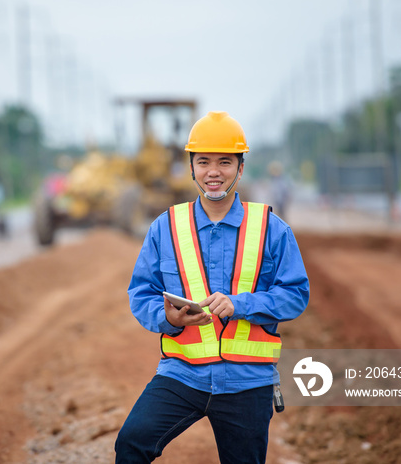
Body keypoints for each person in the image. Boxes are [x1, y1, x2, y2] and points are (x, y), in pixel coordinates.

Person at [115, 111, 310, 464]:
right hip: (181, 374)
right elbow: (141, 293)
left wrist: (242, 305)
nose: (213, 171)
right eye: (203, 161)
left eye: (225, 162)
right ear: (191, 167)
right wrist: (169, 318)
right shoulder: (166, 227)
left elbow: (296, 294)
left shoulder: (271, 228)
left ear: (241, 167)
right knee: (131, 444)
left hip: (247, 382)